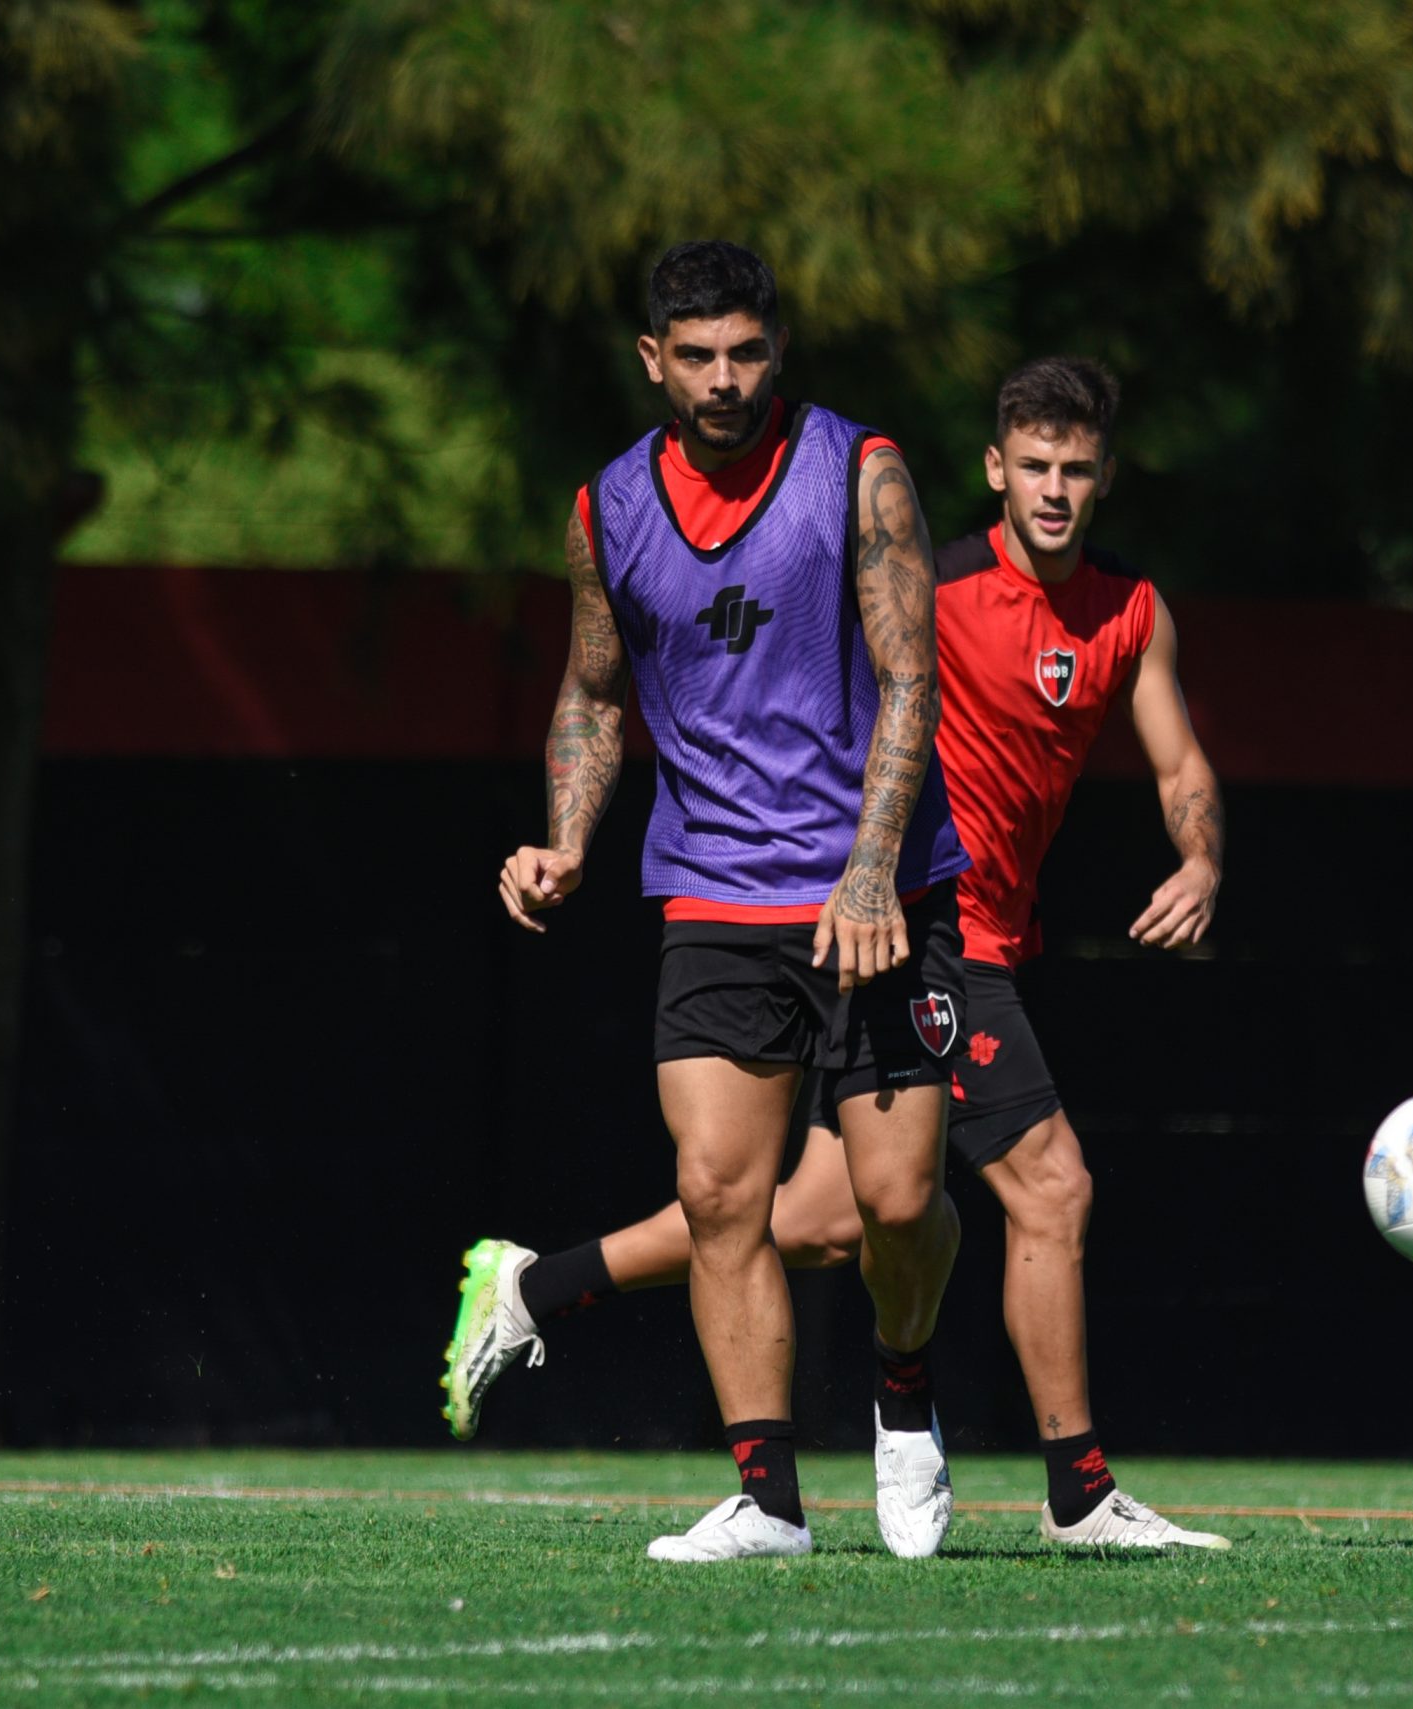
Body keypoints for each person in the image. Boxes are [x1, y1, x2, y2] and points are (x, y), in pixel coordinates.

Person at [451, 356, 1233, 1553]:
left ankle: (531, 1285)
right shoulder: (937, 584)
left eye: (1076, 469)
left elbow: (1179, 764)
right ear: (994, 469)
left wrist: (1201, 859)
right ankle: (1076, 1491)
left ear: (1106, 477)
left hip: (962, 932)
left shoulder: (1130, 610)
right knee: (1051, 1185)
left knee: (827, 1219)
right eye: (1033, 465)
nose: (1054, 489)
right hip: (918, 921)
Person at [483, 240, 973, 1564]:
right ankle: (767, 1497)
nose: (722, 379)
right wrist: (567, 840)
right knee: (715, 1193)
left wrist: (870, 866)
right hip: (710, 888)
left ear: (779, 350)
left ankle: (904, 1386)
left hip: (879, 892)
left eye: (746, 352)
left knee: (894, 1202)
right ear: (654, 359)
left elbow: (912, 678)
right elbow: (594, 690)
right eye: (695, 356)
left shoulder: (858, 471)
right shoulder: (607, 508)